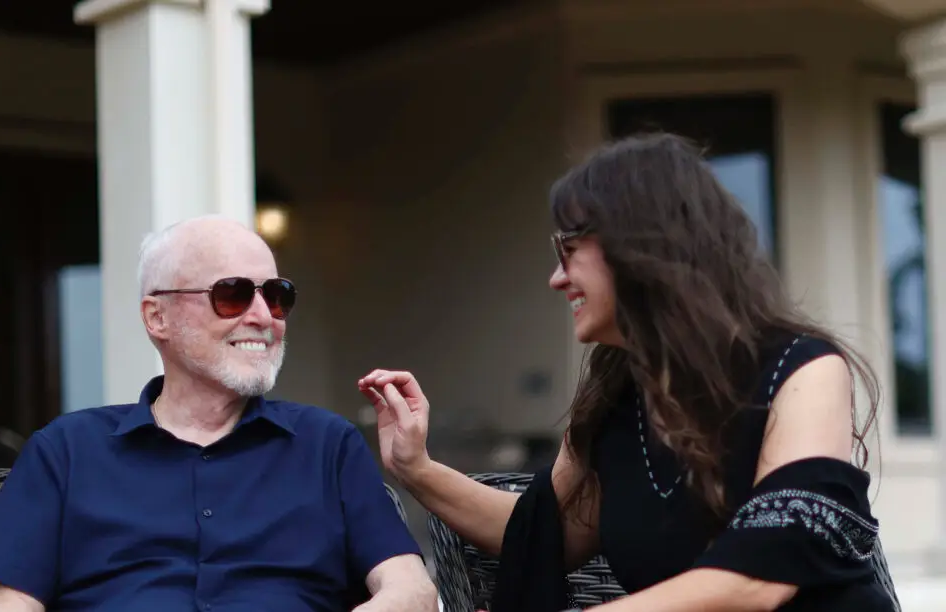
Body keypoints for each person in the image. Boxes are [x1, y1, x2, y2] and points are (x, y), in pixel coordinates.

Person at [359, 133, 900, 611]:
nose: (556, 278)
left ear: (640, 250)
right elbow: (541, 532)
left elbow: (762, 577)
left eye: (568, 250)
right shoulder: (617, 397)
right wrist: (417, 469)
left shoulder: (802, 370)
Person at [0, 216, 437, 612]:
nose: (263, 316)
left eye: (276, 295)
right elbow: (8, 605)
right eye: (232, 294)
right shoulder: (67, 450)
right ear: (156, 317)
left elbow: (412, 591)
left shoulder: (326, 444)